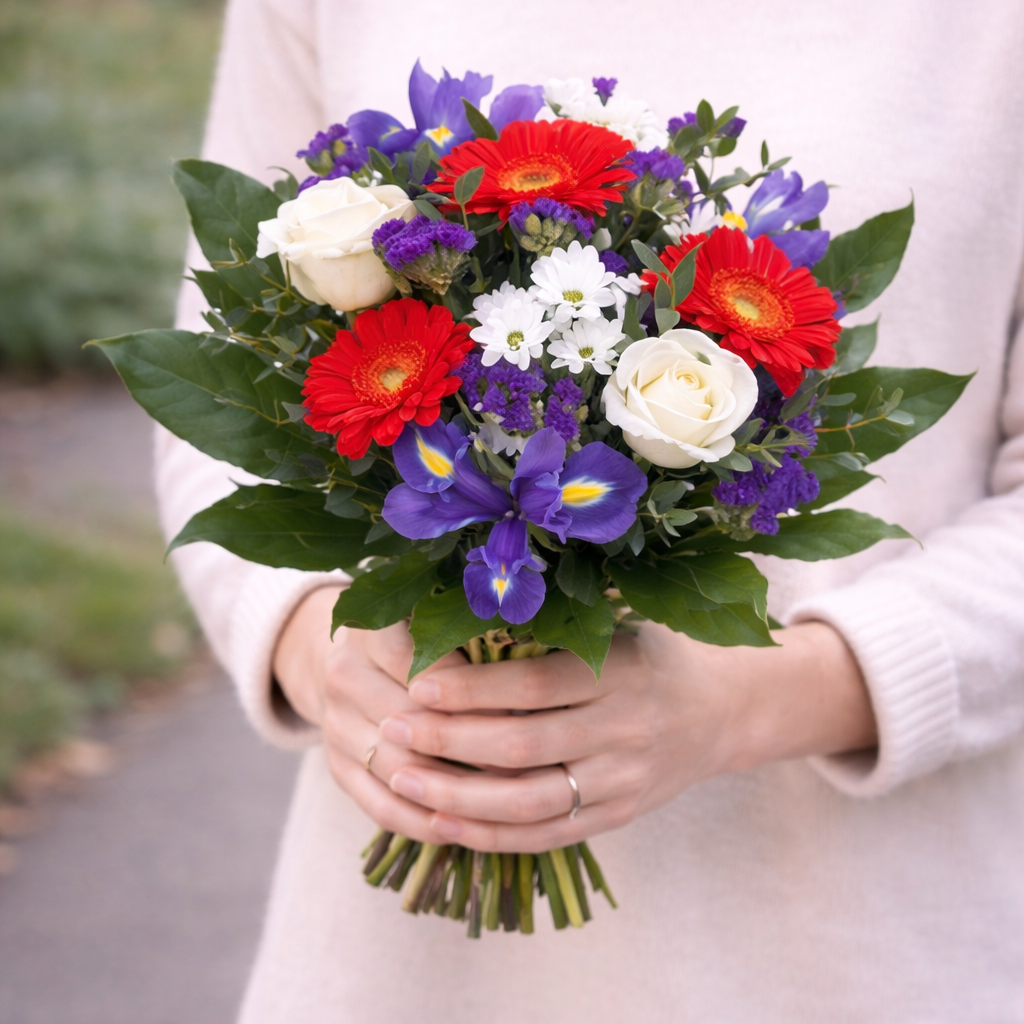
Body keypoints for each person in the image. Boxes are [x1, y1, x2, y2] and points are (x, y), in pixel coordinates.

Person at [156, 1, 1024, 1020]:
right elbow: (228, 391)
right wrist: (316, 649)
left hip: (849, 951)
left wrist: (755, 701)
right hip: (401, 970)